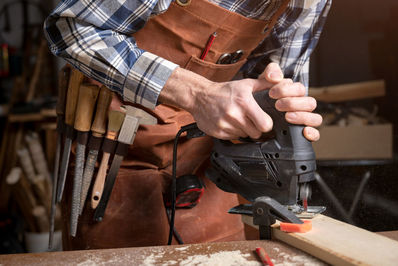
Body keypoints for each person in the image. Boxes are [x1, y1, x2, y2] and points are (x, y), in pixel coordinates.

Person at [44, 0, 331, 249]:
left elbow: (274, 79)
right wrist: (198, 94)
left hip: (207, 157)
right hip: (112, 148)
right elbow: (73, 29)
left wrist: (280, 115)